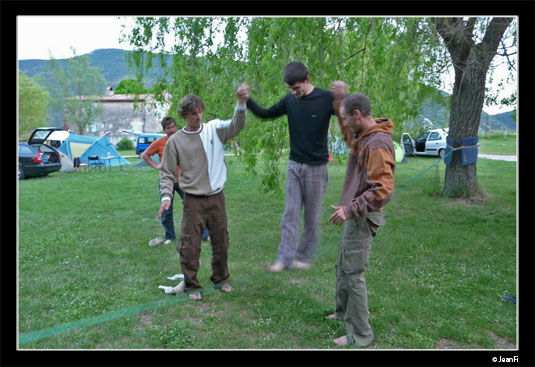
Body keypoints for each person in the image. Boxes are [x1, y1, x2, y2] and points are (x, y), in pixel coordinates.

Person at [244, 62, 342, 272]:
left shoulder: (325, 99)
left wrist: (343, 97)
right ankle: (284, 258)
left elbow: (347, 116)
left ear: (307, 79)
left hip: (317, 167)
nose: (294, 93)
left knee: (312, 216)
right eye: (291, 90)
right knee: (290, 213)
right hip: (294, 165)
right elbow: (266, 113)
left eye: (297, 88)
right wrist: (247, 100)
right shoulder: (290, 100)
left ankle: (304, 256)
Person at [158, 83, 250, 301]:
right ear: (184, 115)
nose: (197, 116)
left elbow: (237, 124)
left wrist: (241, 103)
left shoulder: (215, 129)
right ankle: (192, 285)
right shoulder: (176, 141)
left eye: (199, 112)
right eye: (192, 114)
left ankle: (220, 280)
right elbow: (167, 173)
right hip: (193, 200)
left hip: (217, 197)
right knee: (189, 244)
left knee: (221, 241)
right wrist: (166, 197)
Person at [326, 86, 396, 347]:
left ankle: (360, 335)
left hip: (362, 216)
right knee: (342, 267)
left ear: (357, 114)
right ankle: (343, 313)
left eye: (345, 118)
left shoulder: (377, 143)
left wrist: (350, 209)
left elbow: (383, 189)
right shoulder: (364, 135)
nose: (343, 123)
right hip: (354, 214)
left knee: (353, 274)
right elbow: (348, 138)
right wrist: (340, 101)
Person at [143, 117, 209, 247]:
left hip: (184, 180)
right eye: (168, 128)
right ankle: (169, 236)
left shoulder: (183, 140)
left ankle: (204, 235)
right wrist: (156, 166)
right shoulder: (160, 142)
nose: (171, 130)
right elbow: (145, 155)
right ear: (164, 129)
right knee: (167, 210)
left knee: (194, 207)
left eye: (173, 127)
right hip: (167, 181)